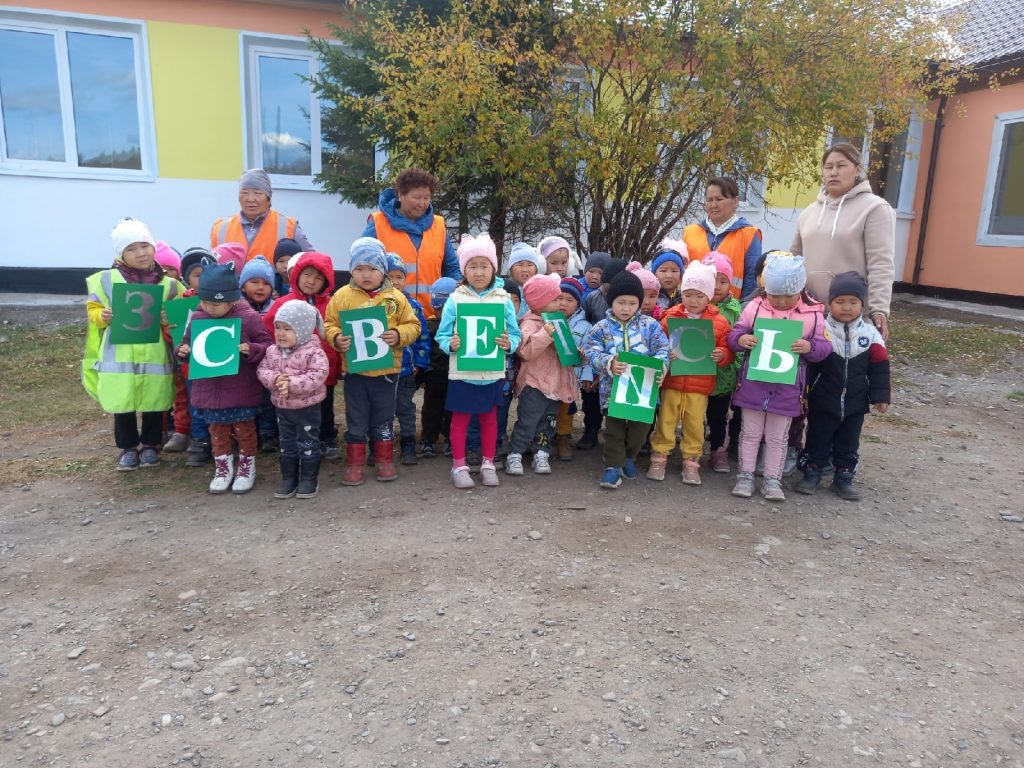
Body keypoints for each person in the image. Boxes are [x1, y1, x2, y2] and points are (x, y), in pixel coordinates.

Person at [727, 254, 830, 502]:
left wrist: (810, 348)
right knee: (750, 433)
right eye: (775, 296)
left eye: (789, 296)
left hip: (787, 389)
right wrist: (741, 340)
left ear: (800, 289)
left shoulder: (815, 313)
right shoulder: (754, 307)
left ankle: (772, 479)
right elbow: (735, 333)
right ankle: (745, 475)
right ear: (765, 289)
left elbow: (825, 346)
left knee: (777, 437)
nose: (782, 302)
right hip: (753, 385)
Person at [83, 219, 181, 470]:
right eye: (131, 248)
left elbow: (182, 315)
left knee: (154, 401)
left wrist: (169, 318)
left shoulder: (169, 284)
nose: (141, 253)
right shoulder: (106, 280)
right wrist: (101, 316)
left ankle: (150, 446)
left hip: (154, 355)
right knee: (122, 403)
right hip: (121, 356)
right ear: (120, 253)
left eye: (145, 246)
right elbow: (93, 309)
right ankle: (128, 448)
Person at [324, 238, 421, 485]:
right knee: (356, 417)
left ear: (383, 271)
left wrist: (398, 334)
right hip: (355, 373)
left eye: (372, 269)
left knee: (384, 417)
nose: (365, 275)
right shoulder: (342, 296)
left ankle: (384, 460)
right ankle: (354, 463)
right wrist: (336, 338)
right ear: (351, 270)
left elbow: (413, 325)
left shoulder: (396, 298)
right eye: (359, 269)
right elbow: (329, 324)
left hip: (386, 373)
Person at [434, 233, 521, 489]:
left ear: (493, 269)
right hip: (462, 372)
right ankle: (459, 465)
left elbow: (515, 334)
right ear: (464, 270)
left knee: (489, 419)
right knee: (460, 419)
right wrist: (450, 344)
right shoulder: (455, 299)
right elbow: (442, 334)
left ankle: (488, 463)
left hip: (492, 373)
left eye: (484, 266)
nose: (479, 272)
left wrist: (509, 343)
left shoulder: (503, 299)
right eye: (472, 266)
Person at [176, 264, 272, 494]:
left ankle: (246, 467)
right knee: (217, 433)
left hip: (240, 390)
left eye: (216, 304)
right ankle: (222, 468)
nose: (210, 308)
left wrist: (252, 349)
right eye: (205, 302)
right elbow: (186, 343)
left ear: (231, 299)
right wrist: (183, 351)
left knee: (245, 431)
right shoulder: (198, 317)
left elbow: (267, 345)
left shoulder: (248, 317)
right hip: (210, 391)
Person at [796, 272, 890, 501]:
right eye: (840, 301)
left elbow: (879, 368)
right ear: (830, 302)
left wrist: (880, 396)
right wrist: (804, 393)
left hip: (856, 402)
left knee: (849, 442)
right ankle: (812, 472)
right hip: (823, 399)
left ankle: (844, 477)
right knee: (818, 437)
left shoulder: (871, 335)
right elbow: (809, 365)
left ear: (862, 304)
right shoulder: (820, 329)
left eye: (853, 302)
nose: (846, 307)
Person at [791, 142, 896, 341]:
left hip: (851, 318)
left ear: (857, 169)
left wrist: (879, 309)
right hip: (808, 314)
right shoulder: (809, 213)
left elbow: (881, 264)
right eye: (828, 167)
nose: (833, 172)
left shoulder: (875, 209)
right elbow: (793, 260)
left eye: (841, 166)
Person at [648, 261, 733, 484]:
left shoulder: (719, 322)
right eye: (687, 295)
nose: (693, 301)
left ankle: (691, 460)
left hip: (700, 384)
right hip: (672, 381)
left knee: (695, 423)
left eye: (699, 296)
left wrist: (722, 355)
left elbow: (728, 349)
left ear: (709, 296)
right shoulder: (670, 317)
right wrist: (665, 353)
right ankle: (659, 456)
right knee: (666, 420)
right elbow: (657, 343)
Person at [583, 270, 669, 490]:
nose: (626, 308)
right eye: (621, 302)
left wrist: (660, 368)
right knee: (614, 431)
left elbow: (663, 349)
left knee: (641, 430)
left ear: (639, 303)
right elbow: (591, 352)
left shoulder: (650, 326)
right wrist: (609, 363)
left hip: (643, 391)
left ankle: (628, 456)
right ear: (612, 302)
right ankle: (613, 466)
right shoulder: (601, 328)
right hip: (612, 391)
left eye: (632, 303)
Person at [264, 251, 341, 459]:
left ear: (326, 283)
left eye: (318, 278)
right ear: (297, 274)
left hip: (323, 368)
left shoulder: (332, 305)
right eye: (307, 274)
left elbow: (336, 332)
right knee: (293, 406)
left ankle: (326, 437)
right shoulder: (282, 304)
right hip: (290, 368)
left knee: (324, 405)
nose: (311, 281)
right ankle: (294, 440)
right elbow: (269, 330)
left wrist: (337, 362)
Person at [505, 274, 579, 477]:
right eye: (555, 299)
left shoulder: (558, 321)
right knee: (528, 421)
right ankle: (515, 453)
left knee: (548, 422)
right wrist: (545, 333)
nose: (560, 303)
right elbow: (525, 351)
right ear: (540, 302)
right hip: (535, 384)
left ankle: (541, 452)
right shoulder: (529, 323)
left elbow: (565, 350)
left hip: (556, 384)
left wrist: (577, 354)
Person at [363, 168, 461, 317]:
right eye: (416, 197)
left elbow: (452, 269)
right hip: (391, 319)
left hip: (432, 319)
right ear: (400, 195)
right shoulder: (378, 224)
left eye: (427, 197)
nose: (422, 203)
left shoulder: (438, 225)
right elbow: (362, 268)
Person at [257, 300, 330, 500]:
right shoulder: (272, 351)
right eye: (278, 327)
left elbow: (317, 375)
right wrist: (275, 379)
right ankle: (289, 478)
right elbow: (263, 370)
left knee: (308, 442)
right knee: (287, 443)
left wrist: (291, 383)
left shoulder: (314, 352)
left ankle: (309, 479)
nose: (280, 333)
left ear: (303, 330)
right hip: (282, 408)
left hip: (307, 408)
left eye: (287, 329)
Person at [165, 247, 217, 462]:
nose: (203, 279)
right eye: (197, 275)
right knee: (195, 405)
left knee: (217, 404)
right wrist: (169, 326)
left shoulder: (223, 302)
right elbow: (174, 338)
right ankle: (199, 441)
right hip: (190, 368)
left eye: (207, 274)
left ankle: (221, 441)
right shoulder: (182, 303)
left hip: (216, 365)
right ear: (187, 280)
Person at [386, 252, 432, 465]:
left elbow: (422, 337)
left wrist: (419, 363)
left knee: (405, 408)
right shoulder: (374, 304)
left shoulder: (413, 306)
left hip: (406, 370)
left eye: (400, 277)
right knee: (382, 410)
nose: (395, 282)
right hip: (381, 370)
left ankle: (408, 444)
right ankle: (381, 446)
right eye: (390, 277)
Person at [683, 177, 762, 299]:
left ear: (735, 201)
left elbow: (751, 280)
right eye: (709, 200)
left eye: (719, 199)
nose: (713, 205)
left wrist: (743, 308)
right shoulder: (690, 233)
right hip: (694, 307)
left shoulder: (749, 234)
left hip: (732, 307)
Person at [578, 257, 628, 450]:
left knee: (618, 397)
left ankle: (619, 437)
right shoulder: (593, 298)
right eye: (605, 289)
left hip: (619, 358)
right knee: (591, 397)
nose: (608, 293)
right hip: (596, 354)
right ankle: (591, 431)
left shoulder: (627, 302)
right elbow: (585, 324)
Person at [211, 168, 313, 261]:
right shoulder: (220, 228)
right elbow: (210, 266)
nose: (250, 199)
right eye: (244, 192)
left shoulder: (289, 227)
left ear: (268, 198)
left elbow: (311, 262)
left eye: (258, 193)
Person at [701, 251, 743, 473]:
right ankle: (691, 452)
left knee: (718, 417)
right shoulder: (694, 304)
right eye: (712, 280)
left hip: (723, 377)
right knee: (694, 415)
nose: (717, 287)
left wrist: (733, 366)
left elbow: (739, 342)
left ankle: (718, 451)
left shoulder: (737, 311)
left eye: (723, 281)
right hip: (696, 374)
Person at [551, 276, 593, 462]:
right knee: (548, 407)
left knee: (566, 408)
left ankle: (563, 437)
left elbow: (589, 354)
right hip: (549, 375)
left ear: (578, 303)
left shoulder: (585, 326)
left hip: (570, 377)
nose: (563, 303)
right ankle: (542, 436)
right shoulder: (547, 320)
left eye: (569, 300)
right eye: (559, 298)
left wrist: (587, 375)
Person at [239, 256, 279, 450]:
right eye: (254, 282)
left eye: (266, 283)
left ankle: (268, 433)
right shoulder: (235, 308)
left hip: (269, 364)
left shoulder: (276, 308)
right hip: (244, 365)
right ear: (242, 286)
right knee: (246, 399)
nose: (261, 287)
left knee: (267, 399)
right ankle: (248, 433)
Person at [419, 277, 457, 458]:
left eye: (445, 308)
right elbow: (423, 350)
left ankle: (451, 439)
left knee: (453, 409)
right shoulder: (429, 325)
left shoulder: (460, 326)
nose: (441, 312)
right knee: (431, 409)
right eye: (438, 308)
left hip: (455, 374)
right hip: (434, 374)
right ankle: (428, 440)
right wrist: (422, 374)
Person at [651, 240, 688, 318]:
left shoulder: (685, 297)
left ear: (681, 276)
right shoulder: (650, 296)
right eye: (663, 271)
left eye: (674, 271)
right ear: (654, 274)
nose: (669, 275)